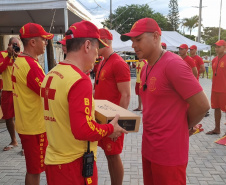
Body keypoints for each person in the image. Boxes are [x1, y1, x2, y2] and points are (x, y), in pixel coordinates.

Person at [121, 17, 210, 185]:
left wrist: (184, 127)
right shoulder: (147, 66)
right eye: (132, 40)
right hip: (149, 149)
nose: (133, 45)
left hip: (169, 156)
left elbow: (203, 105)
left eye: (138, 39)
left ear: (155, 37)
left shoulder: (173, 65)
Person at [41, 21, 128, 185]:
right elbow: (83, 130)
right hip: (74, 164)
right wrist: (110, 128)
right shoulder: (79, 80)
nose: (98, 55)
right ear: (87, 45)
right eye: (97, 48)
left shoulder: (52, 73)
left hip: (54, 159)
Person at [12, 22, 53, 185]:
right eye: (44, 39)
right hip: (34, 127)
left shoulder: (21, 61)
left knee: (34, 168)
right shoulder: (30, 66)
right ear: (33, 42)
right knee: (35, 170)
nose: (46, 43)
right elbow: (48, 94)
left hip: (26, 123)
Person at [94, 28, 131, 185]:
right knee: (108, 156)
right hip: (101, 117)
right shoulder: (102, 61)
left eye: (98, 42)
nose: (94, 46)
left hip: (112, 120)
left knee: (113, 156)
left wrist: (118, 123)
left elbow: (126, 95)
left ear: (107, 42)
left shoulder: (119, 63)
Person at [0, 37, 20, 151]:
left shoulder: (21, 55)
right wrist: (8, 56)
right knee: (8, 117)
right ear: (8, 45)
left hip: (20, 91)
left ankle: (25, 143)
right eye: (13, 45)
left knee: (23, 116)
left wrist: (17, 56)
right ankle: (14, 140)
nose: (15, 47)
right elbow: (1, 69)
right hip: (7, 90)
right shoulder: (2, 55)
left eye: (17, 45)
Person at [206, 40, 226, 135]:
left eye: (219, 47)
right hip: (215, 89)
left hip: (224, 90)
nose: (217, 48)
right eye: (216, 47)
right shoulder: (214, 59)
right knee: (216, 108)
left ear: (224, 47)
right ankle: (217, 129)